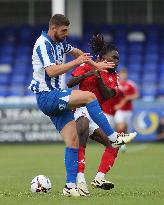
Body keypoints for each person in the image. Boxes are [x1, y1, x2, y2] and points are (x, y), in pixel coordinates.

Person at [29, 14, 136, 197]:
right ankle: (113, 137)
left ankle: (70, 186)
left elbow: (78, 52)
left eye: (67, 30)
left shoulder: (60, 43)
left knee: (73, 140)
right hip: (47, 96)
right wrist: (76, 62)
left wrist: (97, 65)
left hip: (55, 96)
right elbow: (52, 70)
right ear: (53, 28)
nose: (66, 34)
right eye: (64, 30)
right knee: (88, 96)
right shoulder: (43, 44)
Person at [67, 34, 137, 196]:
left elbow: (106, 95)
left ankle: (99, 177)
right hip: (80, 109)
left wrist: (98, 75)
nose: (117, 61)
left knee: (114, 145)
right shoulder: (86, 66)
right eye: (114, 57)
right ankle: (80, 182)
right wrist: (89, 72)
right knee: (81, 136)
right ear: (102, 57)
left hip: (95, 113)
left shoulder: (114, 76)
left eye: (118, 58)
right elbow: (70, 83)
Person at [114, 68, 139, 151]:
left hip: (128, 110)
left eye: (124, 74)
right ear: (119, 75)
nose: (123, 75)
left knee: (126, 128)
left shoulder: (130, 84)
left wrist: (129, 97)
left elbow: (136, 95)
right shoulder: (116, 84)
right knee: (120, 126)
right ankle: (121, 145)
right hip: (119, 110)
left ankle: (122, 141)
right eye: (122, 74)